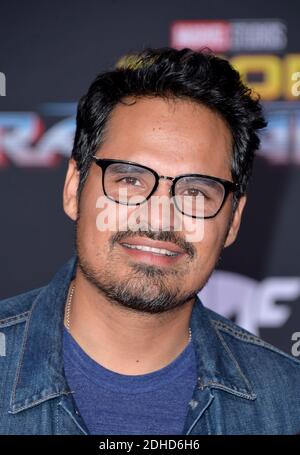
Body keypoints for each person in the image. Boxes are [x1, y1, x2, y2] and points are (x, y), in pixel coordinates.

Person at [0, 47, 299, 435]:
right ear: (74, 188)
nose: (159, 218)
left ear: (234, 220)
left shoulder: (287, 403)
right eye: (129, 180)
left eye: (195, 192)